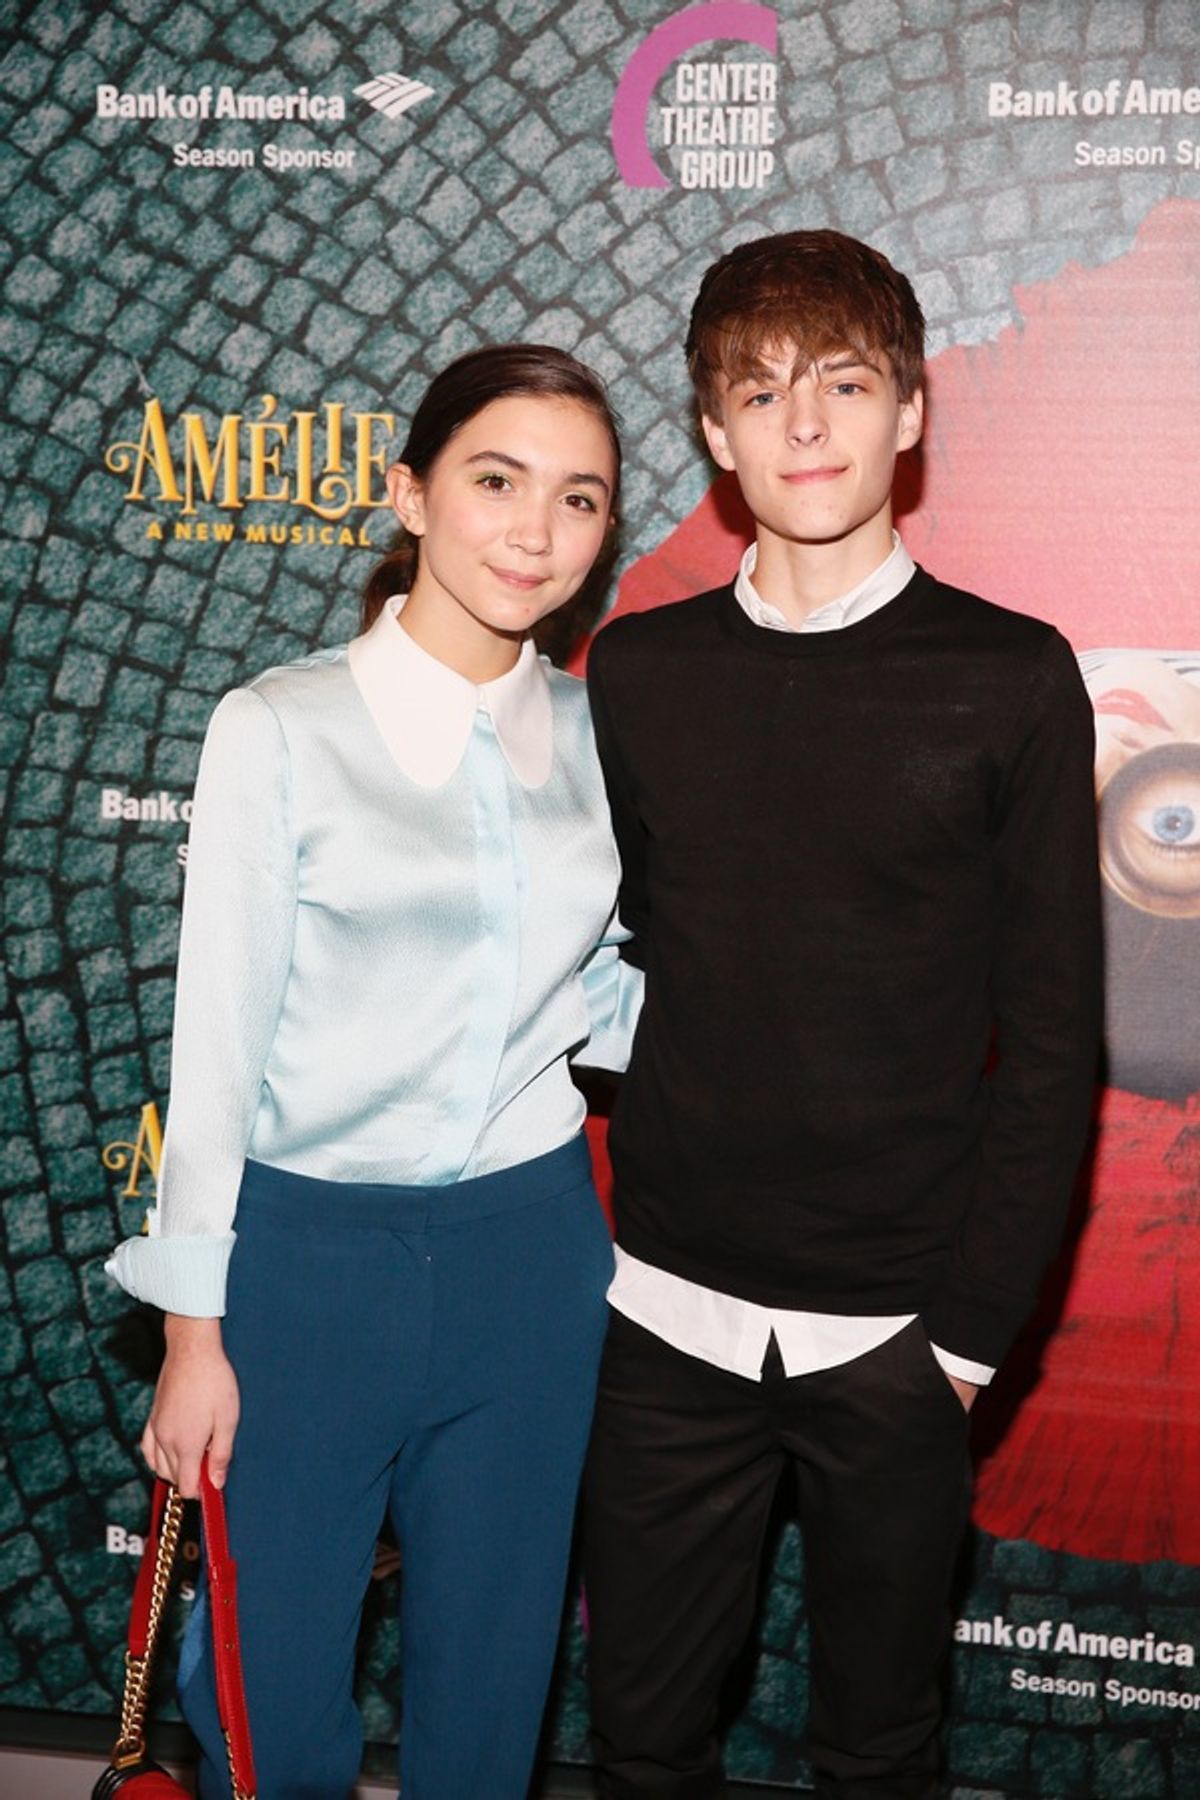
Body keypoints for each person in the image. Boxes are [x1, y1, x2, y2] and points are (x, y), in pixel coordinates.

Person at [581, 230, 1102, 1798]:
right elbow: (638, 955)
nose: (803, 424)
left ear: (913, 412)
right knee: (642, 1746)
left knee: (879, 1752)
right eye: (760, 392)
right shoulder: (638, 671)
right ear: (713, 434)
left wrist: (967, 1341)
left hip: (899, 1336)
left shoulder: (1012, 678)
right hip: (663, 1317)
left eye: (846, 384)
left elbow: (1054, 1042)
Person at [107, 343, 641, 1800]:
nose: (536, 530)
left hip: (529, 1261)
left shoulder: (604, 736)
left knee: (491, 1687)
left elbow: (600, 992)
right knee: (267, 1698)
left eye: (579, 498)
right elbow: (216, 1046)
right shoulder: (281, 725)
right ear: (409, 495)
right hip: (308, 1267)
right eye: (496, 480)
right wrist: (194, 1333)